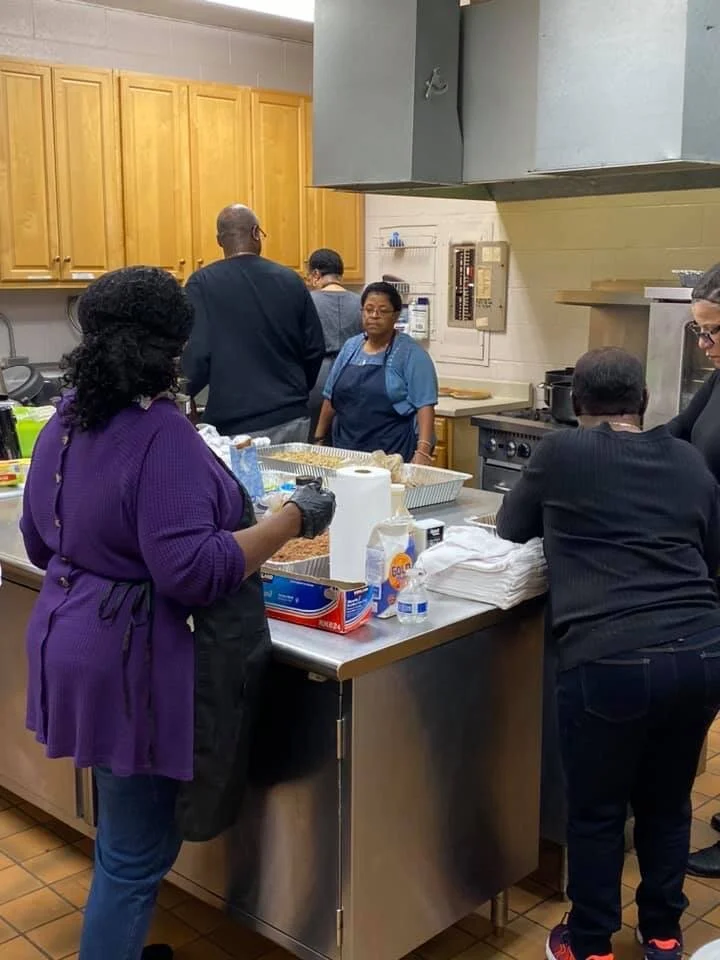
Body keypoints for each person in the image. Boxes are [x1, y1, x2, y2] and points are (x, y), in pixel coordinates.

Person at [20, 267, 335, 960]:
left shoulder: (65, 420)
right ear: (175, 348)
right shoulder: (159, 435)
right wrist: (291, 517)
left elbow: (40, 541)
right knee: (134, 855)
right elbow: (195, 572)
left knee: (130, 832)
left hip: (68, 634)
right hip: (126, 659)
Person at [496, 347, 720, 960]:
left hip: (607, 659)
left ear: (576, 405)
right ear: (643, 404)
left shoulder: (563, 451)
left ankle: (590, 942)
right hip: (700, 656)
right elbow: (712, 556)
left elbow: (511, 527)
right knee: (667, 806)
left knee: (597, 813)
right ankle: (663, 934)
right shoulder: (689, 462)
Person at [182, 204, 325, 443]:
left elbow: (196, 356)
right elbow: (314, 348)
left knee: (242, 482)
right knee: (287, 481)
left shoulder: (202, 283)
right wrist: (294, 389)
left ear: (219, 241)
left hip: (235, 423)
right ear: (256, 233)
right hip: (291, 416)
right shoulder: (290, 279)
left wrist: (183, 397)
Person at [669, 263, 720, 877]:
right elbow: (677, 434)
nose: (705, 346)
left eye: (712, 332)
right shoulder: (717, 380)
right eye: (698, 331)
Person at [314, 281, 438, 463]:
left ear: (396, 315)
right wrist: (318, 439)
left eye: (383, 310)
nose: (374, 316)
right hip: (345, 449)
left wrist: (422, 452)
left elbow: (425, 406)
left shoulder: (411, 353)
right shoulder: (350, 347)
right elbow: (330, 399)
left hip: (391, 453)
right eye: (369, 309)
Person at [306, 248, 362, 437]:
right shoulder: (362, 303)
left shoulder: (307, 301)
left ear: (315, 274)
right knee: (348, 442)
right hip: (355, 375)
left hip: (316, 377)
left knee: (315, 443)